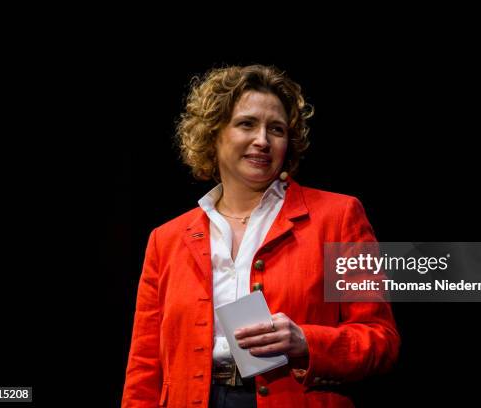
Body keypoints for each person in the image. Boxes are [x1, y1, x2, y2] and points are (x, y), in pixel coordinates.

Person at [122, 64, 400, 407]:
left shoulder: (338, 217)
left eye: (277, 129)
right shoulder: (166, 239)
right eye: (246, 124)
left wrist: (307, 341)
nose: (262, 140)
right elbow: (144, 366)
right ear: (213, 133)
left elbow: (380, 339)